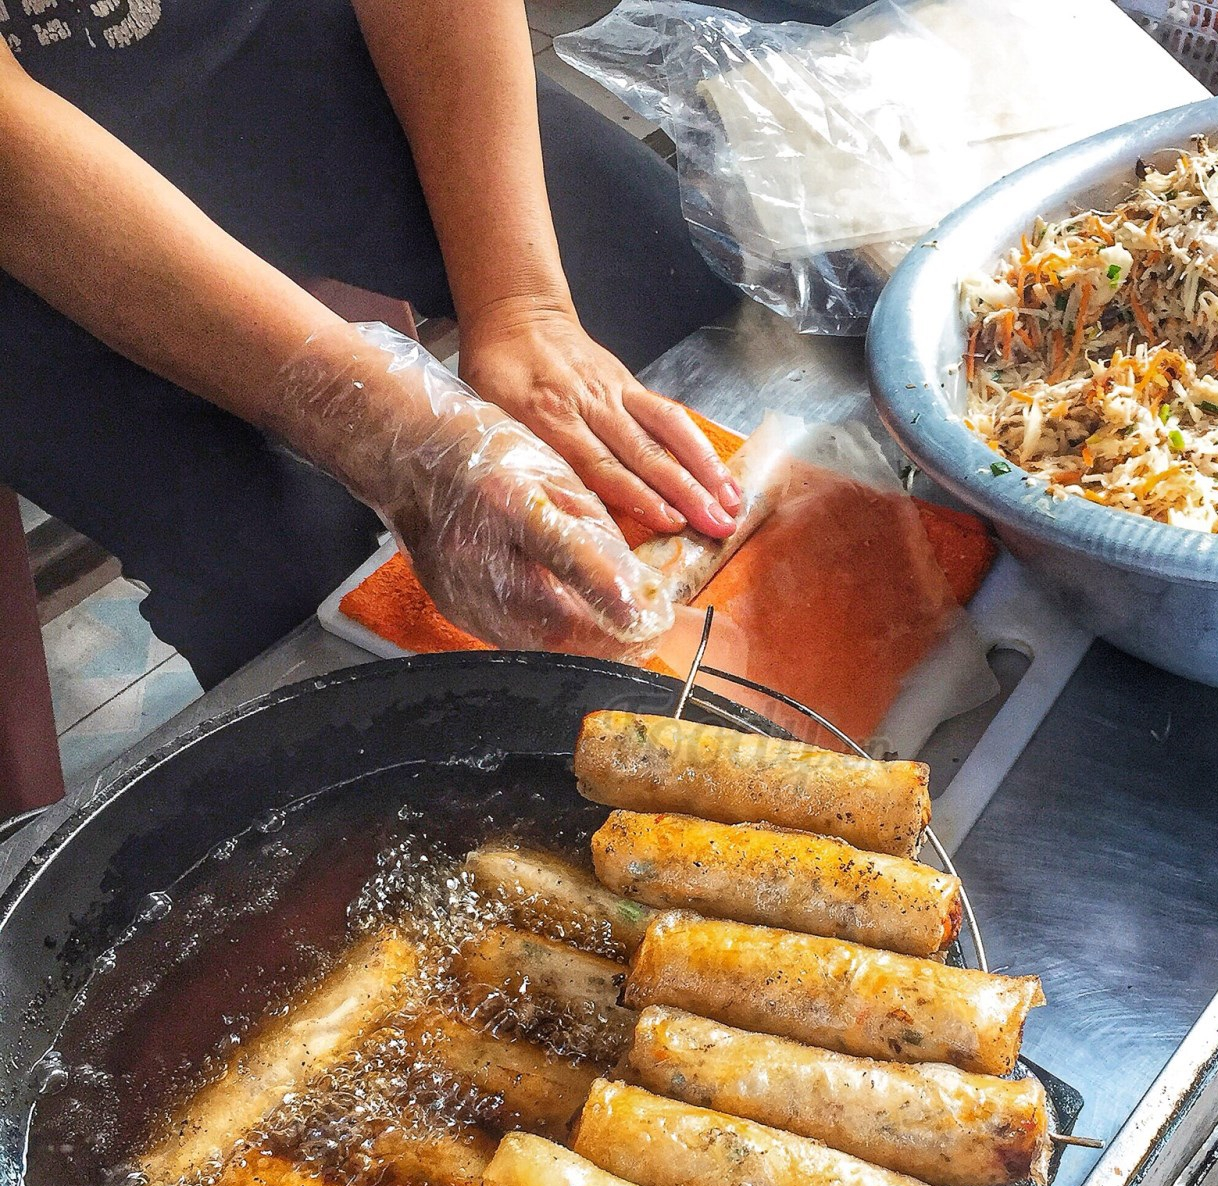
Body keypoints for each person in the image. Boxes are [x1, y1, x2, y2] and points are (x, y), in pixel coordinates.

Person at [0, 0, 743, 686]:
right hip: (25, 198)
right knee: (279, 558)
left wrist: (524, 306)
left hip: (270, 45)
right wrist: (384, 426)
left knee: (678, 282)